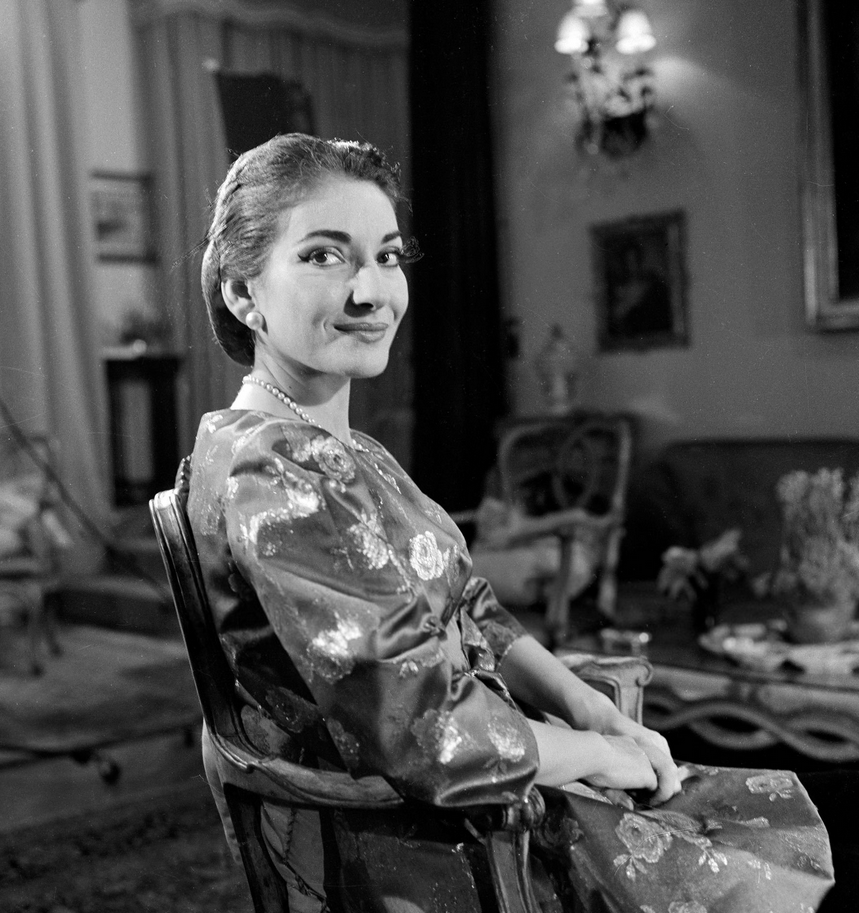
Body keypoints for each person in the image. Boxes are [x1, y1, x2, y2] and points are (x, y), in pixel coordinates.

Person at [186, 133, 840, 913]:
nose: (371, 292)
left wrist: (591, 708)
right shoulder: (274, 471)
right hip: (436, 840)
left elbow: (471, 605)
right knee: (784, 856)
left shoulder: (341, 450)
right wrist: (596, 754)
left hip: (493, 785)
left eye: (387, 256)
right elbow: (423, 729)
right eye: (324, 256)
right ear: (243, 293)